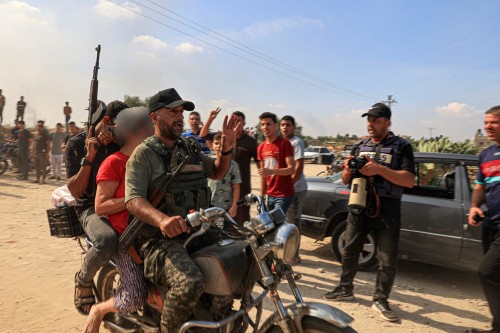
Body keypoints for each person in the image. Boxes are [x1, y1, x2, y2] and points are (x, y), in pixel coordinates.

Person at [125, 88, 241, 332]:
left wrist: (226, 150)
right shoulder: (143, 154)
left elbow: (217, 172)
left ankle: (216, 319)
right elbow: (133, 200)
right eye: (173, 112)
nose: (179, 117)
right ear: (155, 117)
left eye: (181, 112)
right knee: (190, 282)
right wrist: (162, 220)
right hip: (159, 240)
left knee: (239, 256)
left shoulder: (190, 147)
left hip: (197, 231)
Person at [323, 103, 415, 323]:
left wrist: (379, 169)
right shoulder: (360, 145)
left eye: (376, 120)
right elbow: (346, 179)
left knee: (387, 258)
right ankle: (345, 289)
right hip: (359, 204)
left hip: (388, 207)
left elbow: (409, 180)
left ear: (387, 122)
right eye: (369, 120)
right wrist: (347, 169)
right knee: (350, 249)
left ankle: (380, 300)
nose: (371, 124)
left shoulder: (402, 146)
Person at [83, 107, 153, 333]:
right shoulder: (113, 162)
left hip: (151, 234)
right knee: (134, 296)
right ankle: (99, 310)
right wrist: (133, 200)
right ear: (133, 131)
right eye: (146, 127)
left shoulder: (149, 161)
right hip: (127, 239)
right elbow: (100, 206)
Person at [66, 100, 128, 315]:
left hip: (119, 203)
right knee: (106, 240)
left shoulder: (121, 142)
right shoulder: (76, 144)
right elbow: (75, 191)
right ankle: (83, 279)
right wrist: (89, 157)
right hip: (90, 208)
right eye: (117, 128)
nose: (121, 133)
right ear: (107, 121)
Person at [466, 106, 500, 333]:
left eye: (494, 122)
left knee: (487, 271)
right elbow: (480, 185)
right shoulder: (486, 155)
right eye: (486, 122)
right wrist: (474, 207)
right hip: (490, 224)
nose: (488, 126)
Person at [200, 109, 258, 225]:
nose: (236, 123)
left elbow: (259, 163)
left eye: (239, 121)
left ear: (244, 123)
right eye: (234, 120)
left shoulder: (250, 142)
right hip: (219, 190)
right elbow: (203, 135)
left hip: (241, 186)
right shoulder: (222, 137)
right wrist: (211, 118)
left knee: (240, 219)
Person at [280, 115, 307, 265]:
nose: (285, 127)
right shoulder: (282, 142)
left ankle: (294, 256)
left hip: (296, 189)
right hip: (285, 190)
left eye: (288, 125)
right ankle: (287, 253)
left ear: (293, 127)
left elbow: (299, 166)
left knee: (293, 224)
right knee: (285, 222)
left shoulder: (297, 142)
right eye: (283, 125)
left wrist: (289, 185)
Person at [257, 112, 295, 214]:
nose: (265, 127)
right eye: (263, 124)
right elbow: (263, 175)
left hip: (283, 194)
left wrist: (272, 171)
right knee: (267, 225)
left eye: (268, 124)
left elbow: (291, 169)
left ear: (275, 126)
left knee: (276, 223)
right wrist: (261, 196)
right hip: (270, 194)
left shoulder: (285, 144)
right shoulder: (261, 147)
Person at [208, 132, 242, 227]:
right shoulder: (207, 162)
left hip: (223, 210)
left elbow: (236, 187)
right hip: (207, 209)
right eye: (216, 143)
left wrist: (234, 205)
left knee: (222, 237)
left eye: (221, 143)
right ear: (212, 145)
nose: (219, 146)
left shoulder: (233, 165)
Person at [32, 120, 50, 184]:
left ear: (42, 127)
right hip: (36, 153)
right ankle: (37, 179)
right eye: (38, 126)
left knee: (43, 167)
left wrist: (48, 153)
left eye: (40, 126)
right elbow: (34, 143)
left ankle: (43, 180)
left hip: (43, 154)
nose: (39, 127)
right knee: (37, 167)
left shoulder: (45, 134)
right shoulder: (36, 135)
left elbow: (48, 144)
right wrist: (32, 152)